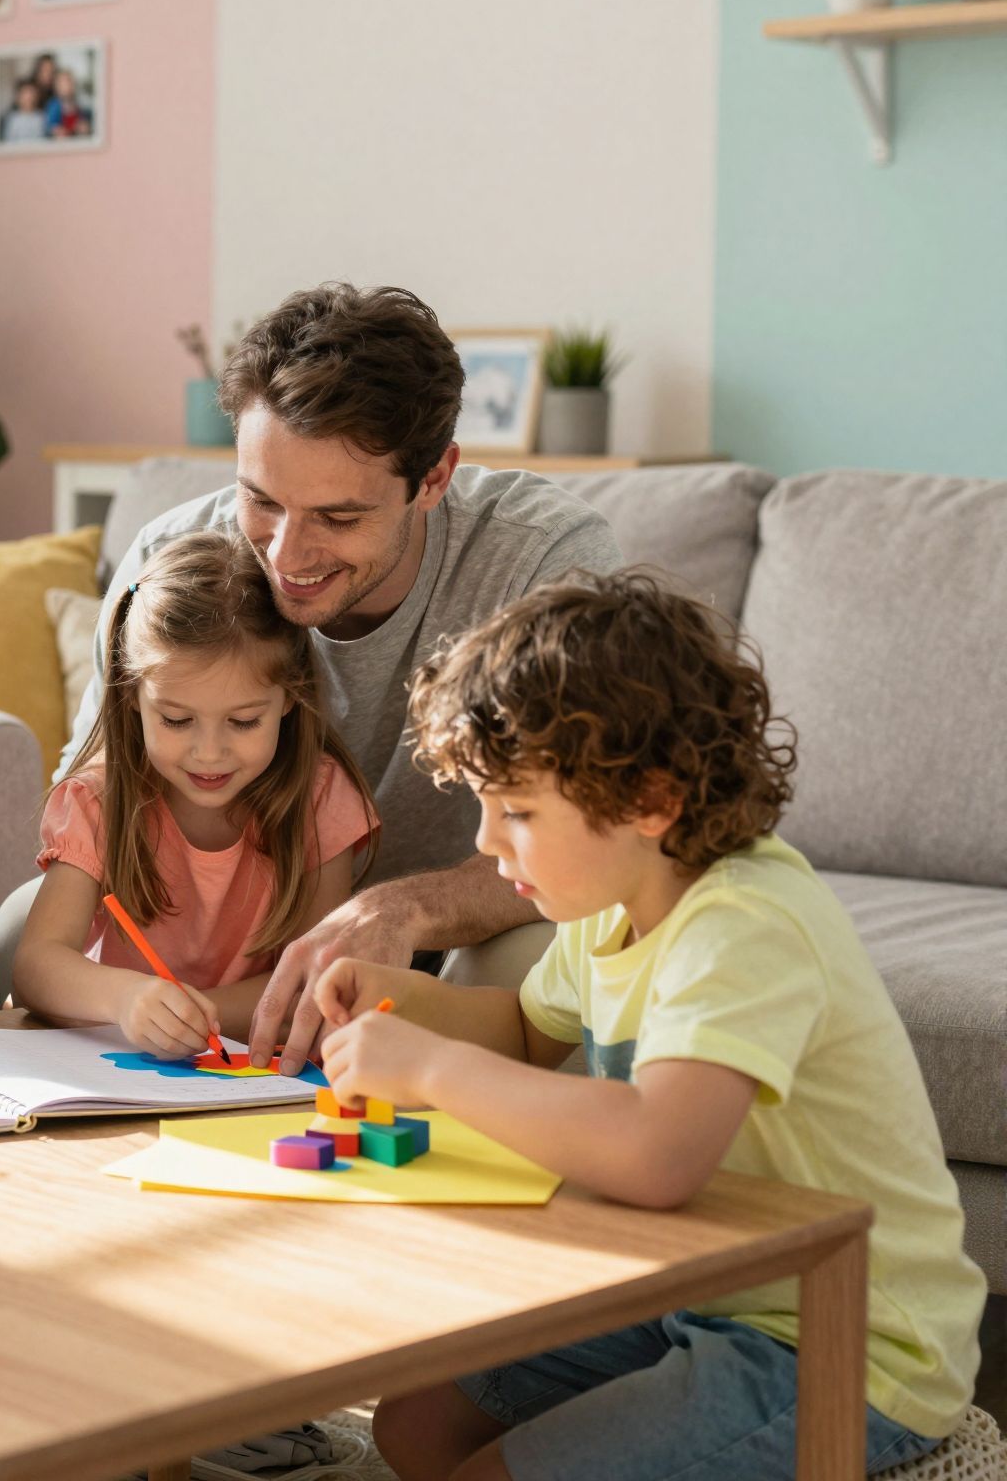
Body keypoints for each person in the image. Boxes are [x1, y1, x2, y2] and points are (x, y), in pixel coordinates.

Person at [314, 572, 985, 1481]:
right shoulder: (610, 903)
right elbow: (523, 1029)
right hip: (699, 1293)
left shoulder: (744, 924)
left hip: (837, 1342)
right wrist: (394, 998)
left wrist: (428, 1070)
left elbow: (657, 1157)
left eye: (515, 811)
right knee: (418, 1421)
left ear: (650, 802)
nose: (484, 841)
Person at [0, 283, 623, 1073]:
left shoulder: (541, 563)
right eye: (260, 499)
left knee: (527, 966)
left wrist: (404, 910)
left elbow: (597, 830)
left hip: (464, 932)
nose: (286, 557)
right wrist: (140, 990)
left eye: (338, 517)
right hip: (236, 951)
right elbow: (96, 788)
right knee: (21, 929)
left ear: (433, 479)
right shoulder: (173, 559)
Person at [14, 532, 375, 1054]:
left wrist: (186, 1012)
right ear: (132, 695)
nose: (209, 754)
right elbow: (34, 967)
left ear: (290, 698)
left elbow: (315, 979)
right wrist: (125, 999)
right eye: (177, 720)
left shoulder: (321, 799)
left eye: (244, 721)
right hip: (117, 1061)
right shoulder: (98, 801)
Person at [44, 68, 89, 139]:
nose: (67, 86)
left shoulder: (79, 103)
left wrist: (82, 126)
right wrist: (57, 130)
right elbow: (52, 126)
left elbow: (83, 120)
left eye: (69, 82)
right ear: (57, 87)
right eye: (63, 83)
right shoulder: (54, 105)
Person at [0, 79, 47, 144]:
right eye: (25, 93)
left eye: (31, 93)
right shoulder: (11, 119)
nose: (28, 97)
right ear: (18, 97)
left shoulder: (41, 117)